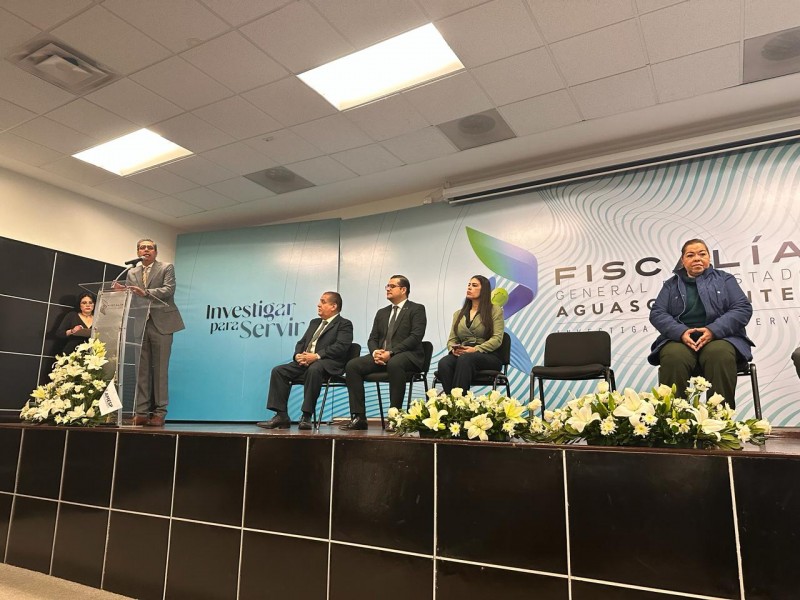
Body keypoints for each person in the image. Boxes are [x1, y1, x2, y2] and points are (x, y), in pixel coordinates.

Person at [648, 238, 754, 406]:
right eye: (690, 255)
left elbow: (742, 308)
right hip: (679, 340)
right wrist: (681, 332)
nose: (697, 258)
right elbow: (657, 313)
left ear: (709, 258)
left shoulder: (725, 279)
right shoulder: (670, 285)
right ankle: (675, 417)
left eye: (702, 254)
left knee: (718, 353)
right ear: (683, 260)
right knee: (673, 356)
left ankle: (720, 417)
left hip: (721, 338)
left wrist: (713, 330)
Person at [256, 292, 353, 430]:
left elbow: (341, 346)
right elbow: (302, 343)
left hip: (327, 365)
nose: (318, 305)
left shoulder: (344, 324)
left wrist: (316, 356)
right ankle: (281, 416)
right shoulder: (314, 322)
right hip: (305, 363)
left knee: (314, 369)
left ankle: (306, 416)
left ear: (333, 306)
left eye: (323, 302)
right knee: (279, 371)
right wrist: (298, 355)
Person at [342, 275, 427, 430]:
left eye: (392, 286)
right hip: (383, 356)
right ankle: (359, 417)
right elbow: (372, 338)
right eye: (387, 286)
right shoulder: (382, 312)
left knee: (395, 363)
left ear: (403, 289)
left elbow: (415, 337)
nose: (388, 289)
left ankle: (395, 417)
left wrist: (391, 352)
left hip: (408, 356)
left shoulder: (416, 309)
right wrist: (375, 352)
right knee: (352, 366)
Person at [125, 239, 185, 427]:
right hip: (141, 322)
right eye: (142, 247)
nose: (146, 250)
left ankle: (159, 413)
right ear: (138, 251)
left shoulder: (166, 268)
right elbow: (132, 297)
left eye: (150, 248)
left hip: (162, 323)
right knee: (142, 371)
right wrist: (123, 292)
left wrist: (145, 292)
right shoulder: (131, 272)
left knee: (160, 370)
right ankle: (142, 412)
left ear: (155, 252)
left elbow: (168, 290)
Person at [437, 275, 504, 394]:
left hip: (488, 355)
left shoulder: (495, 310)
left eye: (474, 285)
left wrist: (475, 349)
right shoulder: (458, 314)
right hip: (464, 354)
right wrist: (454, 350)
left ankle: (460, 401)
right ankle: (451, 400)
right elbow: (452, 339)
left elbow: (497, 339)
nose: (469, 288)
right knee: (444, 363)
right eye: (468, 285)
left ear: (484, 290)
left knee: (465, 359)